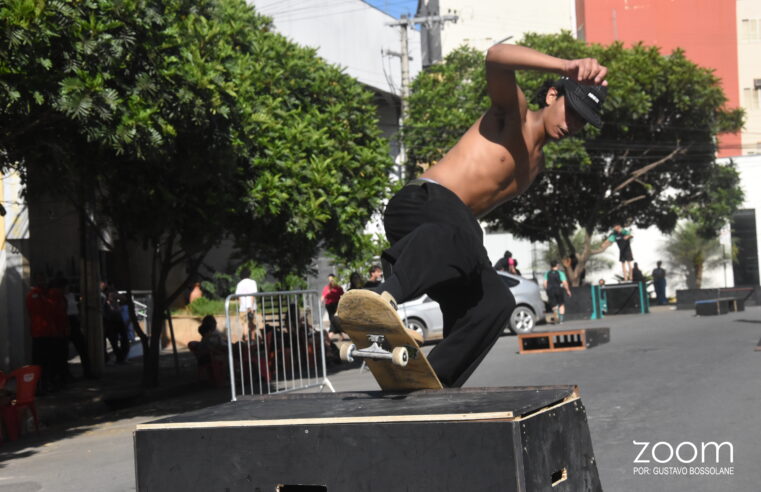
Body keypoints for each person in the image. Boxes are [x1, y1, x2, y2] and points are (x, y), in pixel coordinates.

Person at [364, 43, 607, 387]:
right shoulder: (514, 114)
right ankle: (381, 299)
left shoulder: (538, 165)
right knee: (463, 228)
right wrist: (565, 65)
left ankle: (434, 382)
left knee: (494, 303)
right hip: (422, 203)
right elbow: (495, 56)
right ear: (553, 95)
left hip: (447, 240)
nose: (574, 124)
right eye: (572, 111)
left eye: (583, 120)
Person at [235, 274, 258, 340]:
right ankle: (253, 339)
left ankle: (246, 339)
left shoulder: (239, 284)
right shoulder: (253, 282)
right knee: (252, 323)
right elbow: (252, 295)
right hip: (252, 307)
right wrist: (250, 306)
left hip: (243, 307)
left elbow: (238, 296)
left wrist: (242, 305)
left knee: (244, 323)